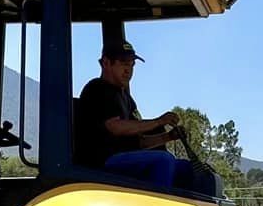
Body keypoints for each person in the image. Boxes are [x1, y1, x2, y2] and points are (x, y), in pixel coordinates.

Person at [73, 40, 218, 195]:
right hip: (102, 163)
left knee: (187, 168)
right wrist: (159, 121)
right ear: (106, 63)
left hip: (125, 160)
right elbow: (115, 127)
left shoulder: (127, 99)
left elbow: (139, 142)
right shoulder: (96, 89)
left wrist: (168, 137)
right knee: (163, 160)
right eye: (123, 63)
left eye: (131, 65)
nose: (128, 70)